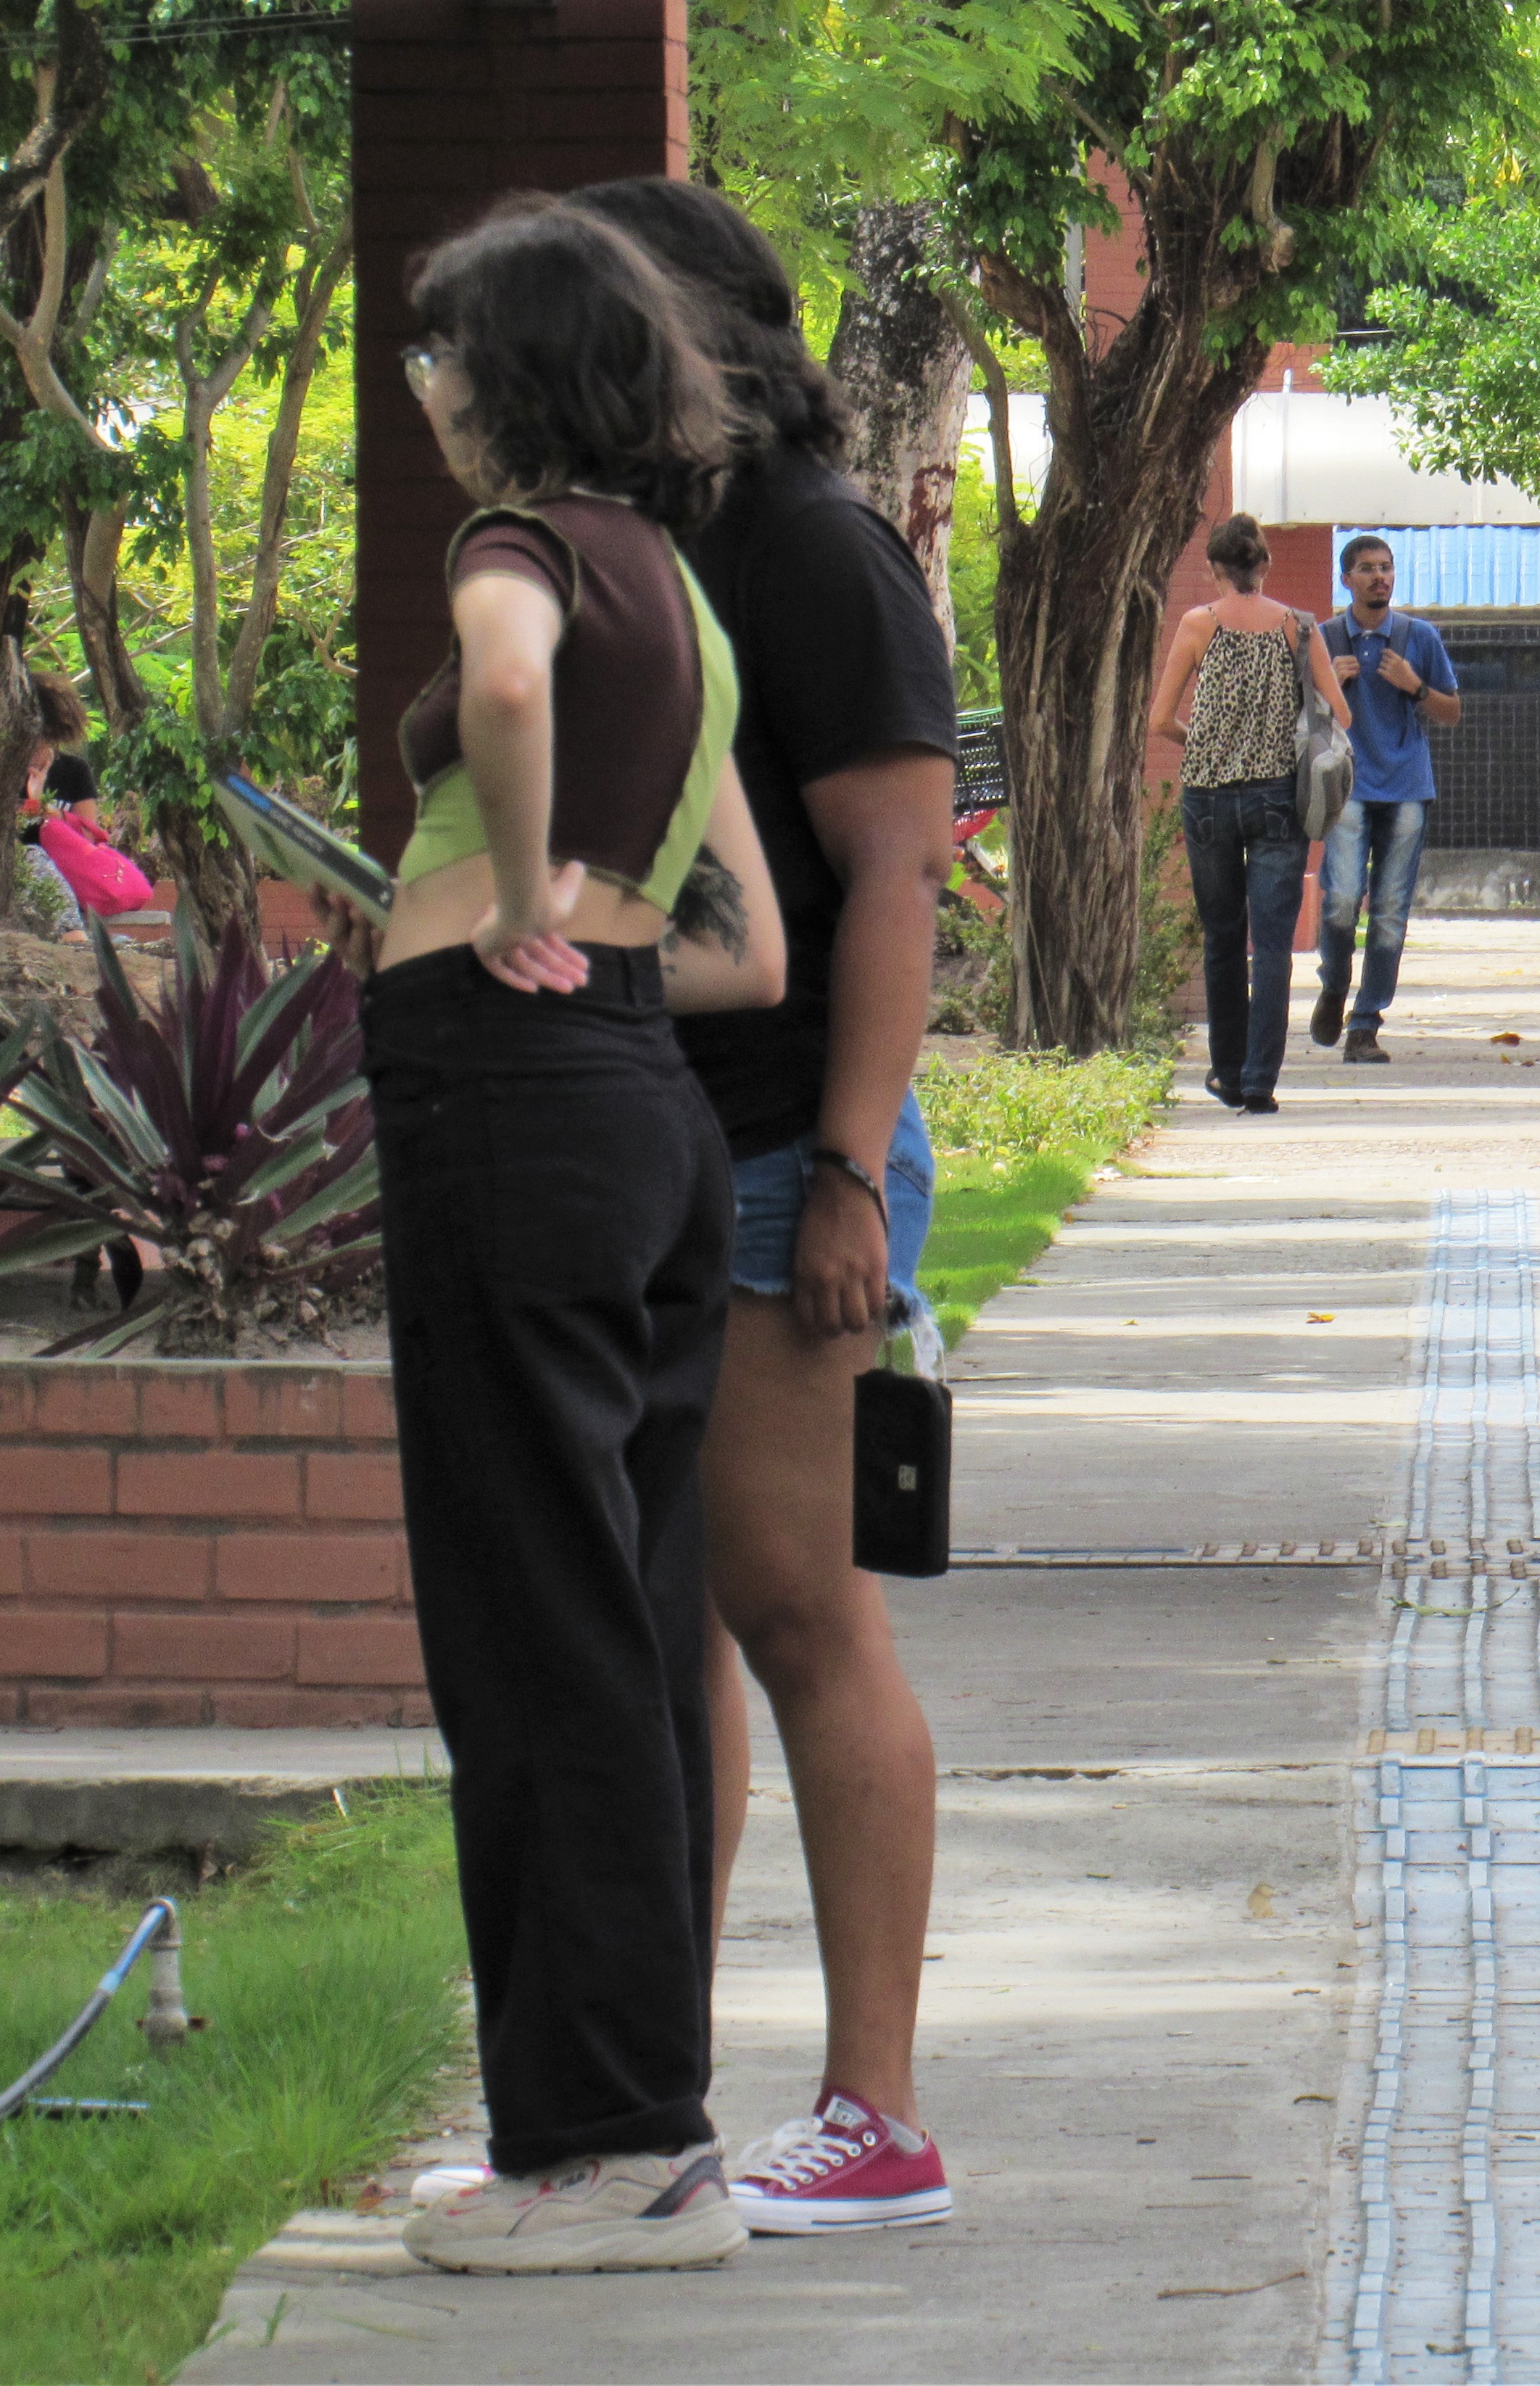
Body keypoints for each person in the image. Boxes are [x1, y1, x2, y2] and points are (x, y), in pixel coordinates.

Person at [345, 197, 788, 2276]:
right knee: (611, 1608)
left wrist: (514, 904)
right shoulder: (684, 602)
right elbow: (749, 952)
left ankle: (615, 2146)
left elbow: (502, 691)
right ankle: (603, 2131)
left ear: (510, 378)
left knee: (536, 1625)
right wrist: (594, 961)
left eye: (443, 359)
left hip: (517, 1115)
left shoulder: (518, 554)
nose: (426, 393)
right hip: (629, 1107)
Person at [567, 176, 964, 2239]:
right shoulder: (658, 541)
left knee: (803, 1614)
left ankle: (874, 2111)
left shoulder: (808, 547)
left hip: (774, 1161)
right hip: (664, 1141)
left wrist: (840, 1168)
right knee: (686, 1636)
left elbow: (895, 875)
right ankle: (670, 2093)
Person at [1148, 513, 1349, 1112]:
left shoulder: (1195, 625)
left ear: (1214, 569)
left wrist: (1206, 745)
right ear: (1265, 565)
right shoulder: (1298, 628)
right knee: (1272, 942)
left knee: (1223, 940)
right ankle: (1261, 1081)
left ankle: (1227, 1072)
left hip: (1207, 797)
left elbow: (1159, 722)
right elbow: (1340, 715)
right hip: (1276, 801)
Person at [1313, 534, 1460, 1062]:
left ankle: (1365, 1024)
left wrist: (1415, 686)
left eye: (1386, 568)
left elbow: (1451, 712)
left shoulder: (1417, 638)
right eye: (1367, 569)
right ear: (1346, 579)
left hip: (1405, 787)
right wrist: (1326, 684)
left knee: (1391, 910)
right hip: (1346, 785)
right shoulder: (1324, 638)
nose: (1380, 577)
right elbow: (1296, 716)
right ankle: (1333, 985)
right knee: (1341, 899)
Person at [15, 671, 97, 938]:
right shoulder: (8, 769)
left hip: (63, 869)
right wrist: (30, 805)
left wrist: (47, 812)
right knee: (32, 857)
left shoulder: (74, 770)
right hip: (19, 868)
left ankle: (75, 940)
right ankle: (74, 938)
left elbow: (88, 836)